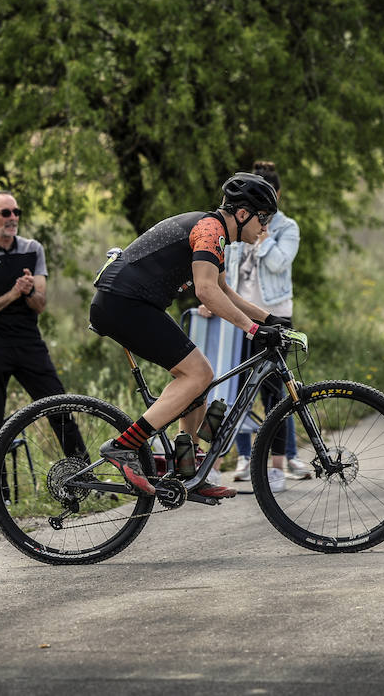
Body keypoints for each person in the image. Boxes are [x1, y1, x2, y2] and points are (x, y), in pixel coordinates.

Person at [91, 173, 283, 499]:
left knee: (199, 379)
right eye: (262, 219)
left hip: (131, 302)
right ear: (242, 214)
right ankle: (123, 446)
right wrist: (252, 330)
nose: (264, 228)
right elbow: (206, 292)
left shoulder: (214, 232)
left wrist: (269, 319)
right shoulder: (210, 230)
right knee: (198, 373)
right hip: (123, 303)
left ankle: (186, 469)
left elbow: (223, 289)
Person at [196, 161, 307, 492]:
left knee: (276, 394)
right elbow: (220, 275)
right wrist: (211, 299)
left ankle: (276, 468)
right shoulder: (232, 224)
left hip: (272, 315)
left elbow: (280, 263)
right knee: (226, 393)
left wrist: (264, 240)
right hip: (235, 316)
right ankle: (216, 463)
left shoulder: (284, 227)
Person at [0, 190, 84, 468]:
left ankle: (84, 475)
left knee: (59, 407)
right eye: (6, 213)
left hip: (28, 341)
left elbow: (40, 305)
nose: (13, 218)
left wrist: (28, 293)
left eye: (17, 212)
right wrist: (13, 294)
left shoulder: (32, 249)